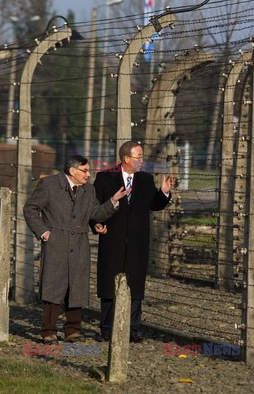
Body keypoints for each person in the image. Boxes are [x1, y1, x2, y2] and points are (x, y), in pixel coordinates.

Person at [23, 154, 130, 344]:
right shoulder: (49, 185)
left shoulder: (88, 190)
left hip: (80, 244)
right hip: (56, 242)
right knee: (53, 286)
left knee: (77, 286)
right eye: (85, 170)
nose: (89, 174)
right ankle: (49, 331)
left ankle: (73, 330)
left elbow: (96, 213)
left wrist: (113, 201)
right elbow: (30, 208)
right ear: (72, 171)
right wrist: (43, 232)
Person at [91, 141, 173, 343]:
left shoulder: (145, 179)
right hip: (112, 239)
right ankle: (107, 328)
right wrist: (95, 225)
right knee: (110, 284)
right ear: (127, 159)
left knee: (135, 285)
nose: (142, 161)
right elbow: (94, 207)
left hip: (137, 241)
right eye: (139, 157)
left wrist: (163, 193)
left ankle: (133, 329)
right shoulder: (105, 178)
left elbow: (154, 204)